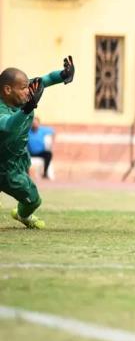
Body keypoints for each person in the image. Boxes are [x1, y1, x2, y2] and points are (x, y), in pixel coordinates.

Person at [0, 57, 75, 229]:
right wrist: (27, 109)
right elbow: (7, 126)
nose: (28, 91)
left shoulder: (25, 92)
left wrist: (63, 75)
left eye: (28, 86)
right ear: (7, 89)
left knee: (34, 200)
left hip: (15, 165)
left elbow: (46, 80)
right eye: (24, 88)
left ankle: (22, 215)